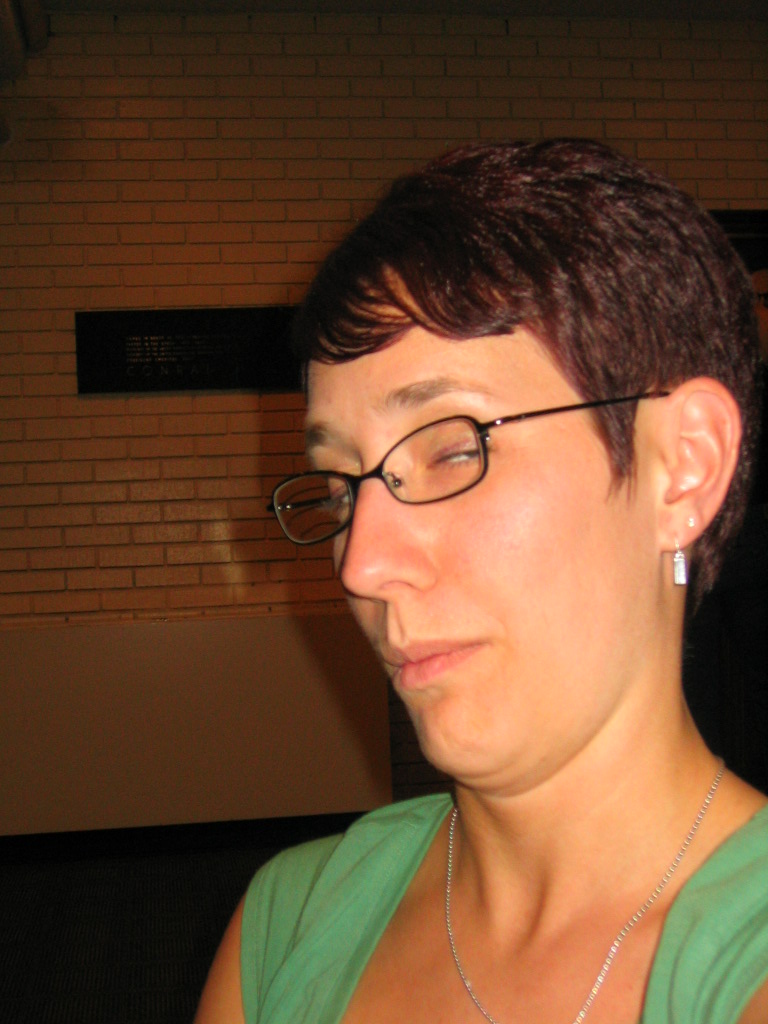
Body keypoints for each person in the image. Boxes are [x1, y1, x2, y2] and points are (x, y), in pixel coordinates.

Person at [195, 139, 768, 1024]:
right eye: (341, 486)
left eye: (454, 450)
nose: (361, 564)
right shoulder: (289, 921)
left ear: (681, 467)